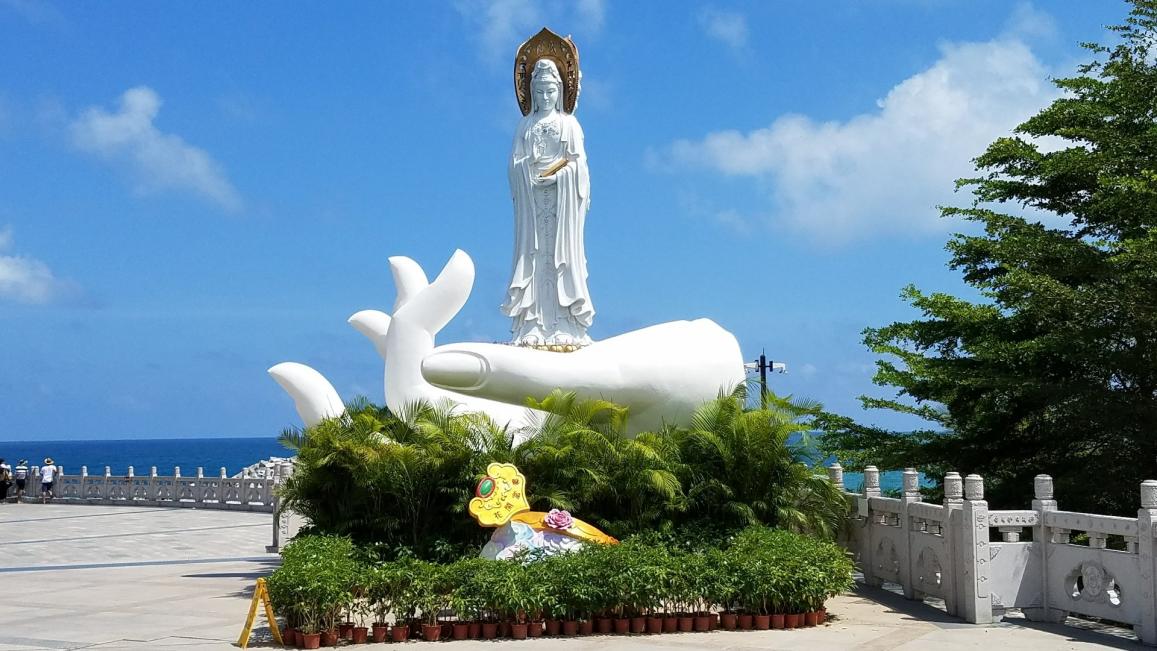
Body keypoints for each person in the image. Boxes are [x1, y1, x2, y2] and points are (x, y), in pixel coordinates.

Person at [502, 57, 594, 347]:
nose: (544, 97)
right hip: (532, 204)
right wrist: (526, 170)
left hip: (561, 203)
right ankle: (531, 324)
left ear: (560, 92)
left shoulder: (569, 124)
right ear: (531, 93)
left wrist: (560, 176)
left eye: (550, 91)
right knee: (533, 257)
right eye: (539, 92)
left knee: (561, 258)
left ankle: (566, 323)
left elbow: (580, 167)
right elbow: (513, 165)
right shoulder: (524, 126)